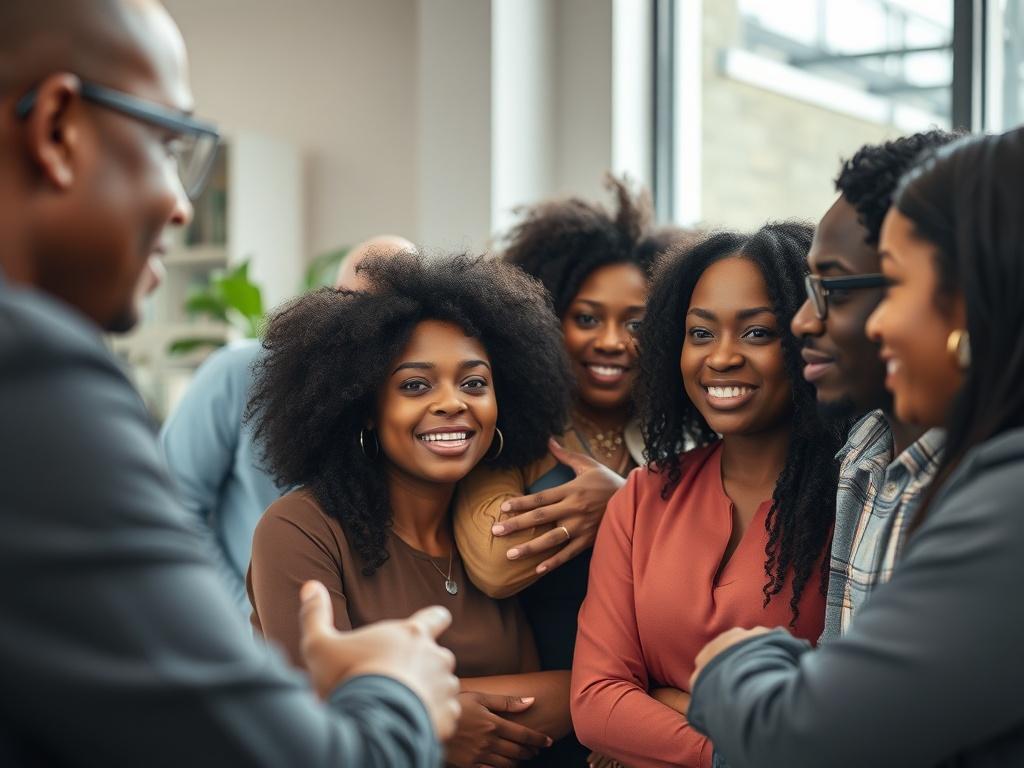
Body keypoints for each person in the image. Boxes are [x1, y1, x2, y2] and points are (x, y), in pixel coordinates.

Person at [0, 1, 460, 764]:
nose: (181, 205)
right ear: (57, 128)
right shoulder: (33, 378)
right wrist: (395, 689)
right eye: (167, 144)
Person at [688, 128, 1024, 766]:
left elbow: (815, 736)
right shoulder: (865, 452)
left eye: (903, 284)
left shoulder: (1007, 493)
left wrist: (743, 661)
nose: (885, 321)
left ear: (978, 295)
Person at [247, 252, 576, 768]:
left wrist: (403, 705)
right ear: (365, 407)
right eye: (415, 385)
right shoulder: (299, 529)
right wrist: (436, 722)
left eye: (474, 383)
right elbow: (318, 724)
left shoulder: (502, 529)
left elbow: (578, 692)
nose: (452, 403)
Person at [571, 223, 844, 768]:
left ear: (808, 339)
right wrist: (729, 750)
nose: (720, 357)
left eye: (757, 333)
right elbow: (595, 704)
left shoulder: (851, 504)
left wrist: (658, 705)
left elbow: (829, 723)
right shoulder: (644, 496)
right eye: (700, 333)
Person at [160, 234, 414, 611]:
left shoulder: (416, 401)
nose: (376, 330)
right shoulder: (238, 375)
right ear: (332, 303)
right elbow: (169, 506)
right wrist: (245, 614)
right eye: (361, 308)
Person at [791, 130, 957, 640]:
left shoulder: (986, 485)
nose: (801, 321)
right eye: (808, 289)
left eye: (833, 291)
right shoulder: (864, 454)